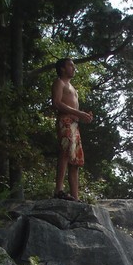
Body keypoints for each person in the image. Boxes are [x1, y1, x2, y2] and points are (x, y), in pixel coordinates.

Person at [51, 58, 93, 201]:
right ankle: (58, 190)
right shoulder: (59, 82)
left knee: (76, 160)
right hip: (65, 121)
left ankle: (75, 197)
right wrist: (79, 113)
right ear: (62, 68)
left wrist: (84, 116)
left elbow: (75, 109)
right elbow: (57, 103)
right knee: (65, 152)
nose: (74, 68)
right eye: (70, 65)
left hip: (75, 124)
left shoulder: (73, 88)